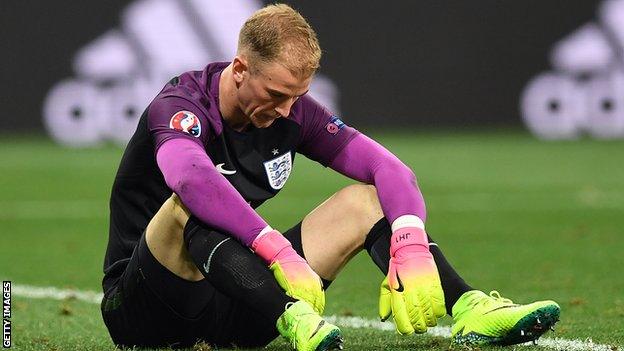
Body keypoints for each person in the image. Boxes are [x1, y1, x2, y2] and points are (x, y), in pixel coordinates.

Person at [100, 4, 560, 350]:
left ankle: (470, 308)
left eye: (296, 96)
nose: (285, 109)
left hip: (233, 302)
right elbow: (193, 180)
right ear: (239, 70)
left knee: (368, 201)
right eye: (277, 93)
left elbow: (389, 169)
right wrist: (276, 249)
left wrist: (410, 238)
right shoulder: (180, 106)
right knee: (188, 207)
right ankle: (291, 317)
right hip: (145, 311)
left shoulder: (291, 113)